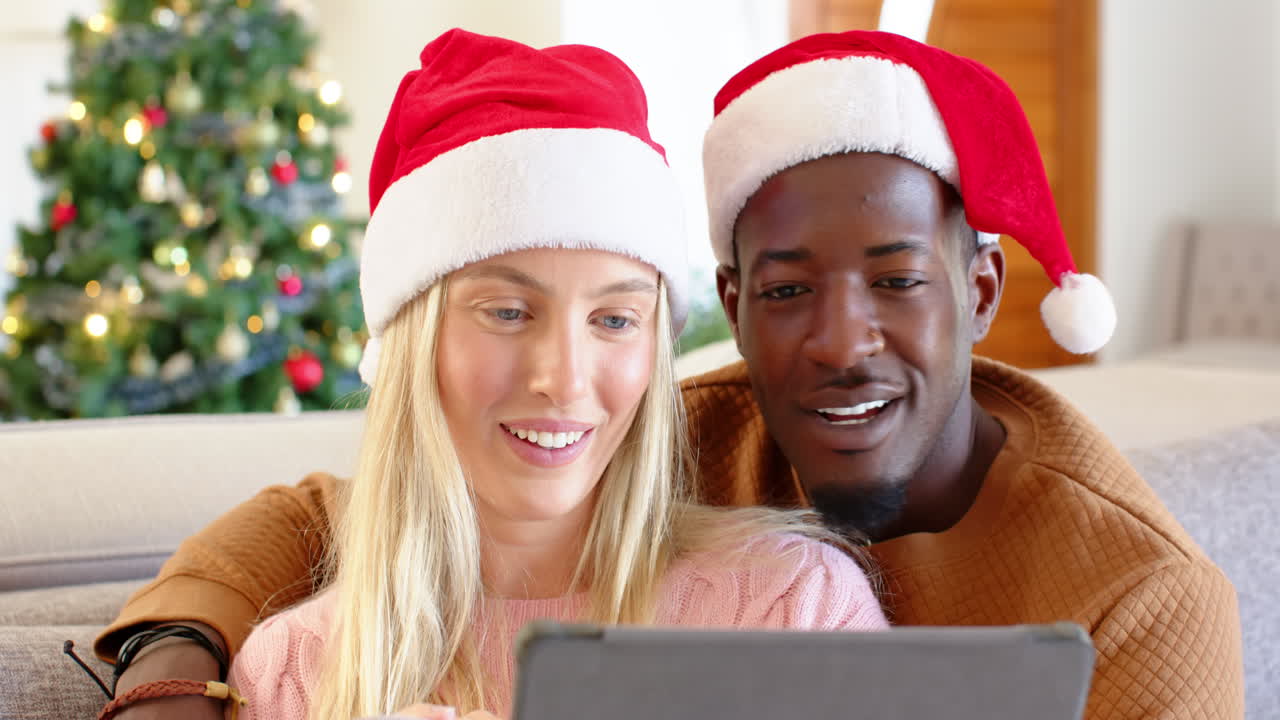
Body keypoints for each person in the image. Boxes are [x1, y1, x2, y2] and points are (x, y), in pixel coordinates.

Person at [95, 30, 1243, 720]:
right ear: (731, 307)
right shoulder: (663, 429)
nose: (841, 344)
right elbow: (349, 513)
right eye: (787, 289)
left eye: (897, 281)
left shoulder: (1141, 599)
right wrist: (167, 673)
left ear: (982, 294)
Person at [89, 29, 886, 720]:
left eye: (614, 320)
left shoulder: (794, 610)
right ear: (413, 342)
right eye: (507, 312)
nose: (565, 379)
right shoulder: (297, 671)